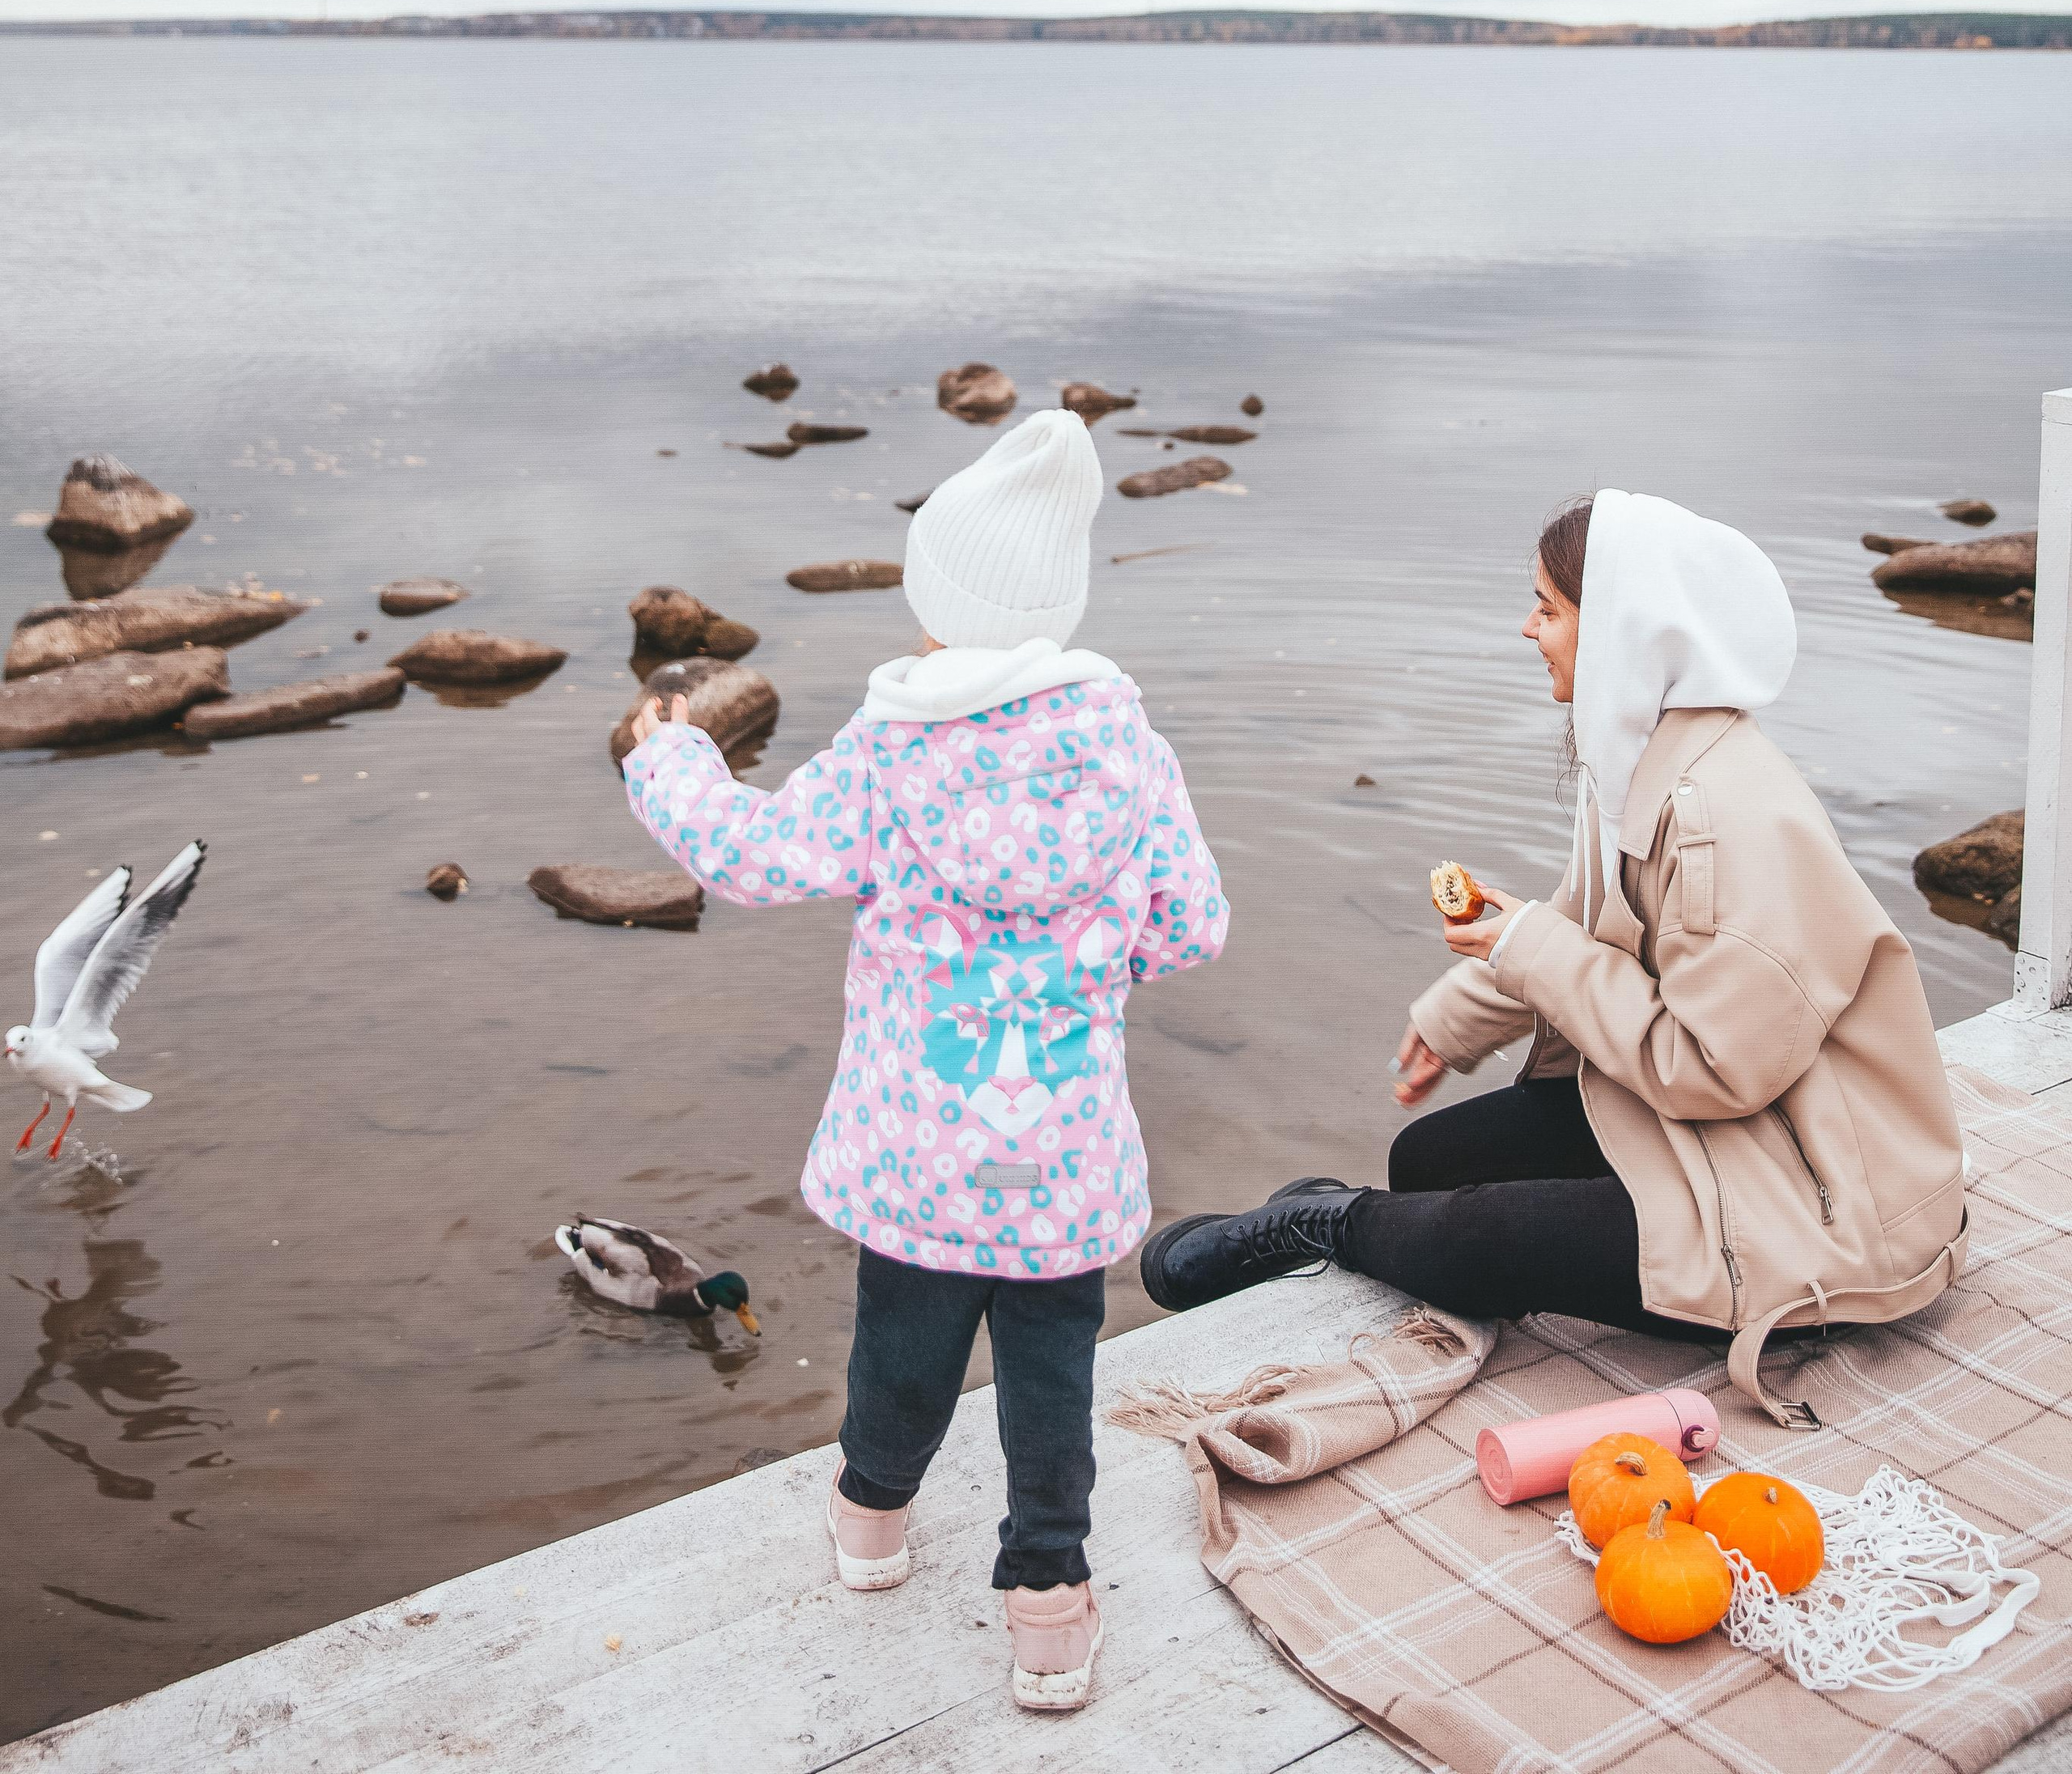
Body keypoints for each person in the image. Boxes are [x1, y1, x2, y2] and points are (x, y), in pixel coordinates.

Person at [623, 406, 1226, 1711]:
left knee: (901, 1353)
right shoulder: (1129, 750)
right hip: (1058, 1156)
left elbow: (753, 859)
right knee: (1053, 1382)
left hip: (921, 1155)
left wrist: (668, 754)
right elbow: (1191, 929)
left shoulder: (893, 754)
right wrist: (1091, 949)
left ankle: (872, 1530)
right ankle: (1049, 1609)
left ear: (935, 600)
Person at [1138, 489, 1966, 1424]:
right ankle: (1362, 1207)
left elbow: (1710, 1072)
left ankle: (1315, 1222)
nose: (1526, 627)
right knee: (1427, 1160)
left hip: (1824, 1207)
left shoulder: (1726, 819)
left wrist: (1529, 947)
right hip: (1743, 1126)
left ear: (1623, 627)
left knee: (1481, 1237)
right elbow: (1587, 918)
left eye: (1549, 606)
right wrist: (1460, 1015)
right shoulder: (1645, 756)